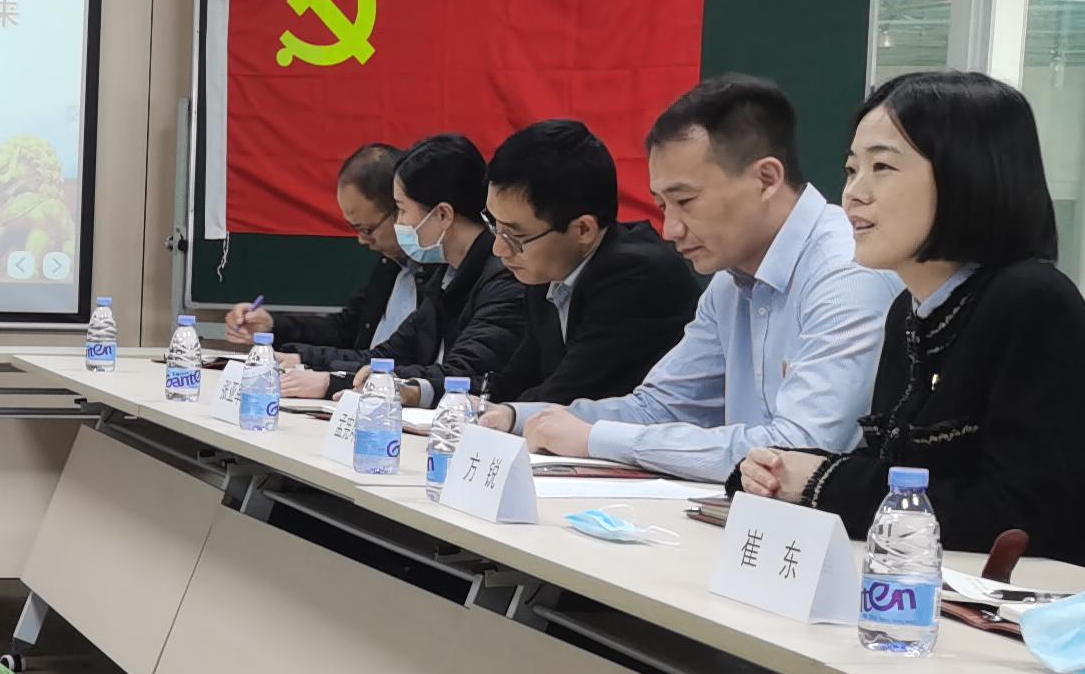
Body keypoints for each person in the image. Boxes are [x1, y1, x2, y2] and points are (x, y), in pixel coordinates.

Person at [734, 72, 1085, 561]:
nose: (854, 194)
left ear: (966, 175)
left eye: (882, 167)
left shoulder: (1034, 302)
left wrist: (824, 480)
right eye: (851, 169)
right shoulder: (908, 309)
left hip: (1036, 597)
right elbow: (893, 466)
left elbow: (1020, 514)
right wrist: (779, 471)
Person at [488, 76, 893, 480]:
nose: (670, 229)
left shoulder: (847, 270)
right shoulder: (730, 280)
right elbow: (660, 406)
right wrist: (518, 418)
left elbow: (799, 450)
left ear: (766, 179)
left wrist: (597, 438)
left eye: (685, 201)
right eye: (663, 205)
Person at [285, 134, 530, 406]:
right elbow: (388, 356)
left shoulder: (504, 280)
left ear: (443, 215)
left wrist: (335, 381)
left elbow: (461, 375)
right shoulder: (445, 278)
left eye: (401, 210)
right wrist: (307, 362)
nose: (399, 223)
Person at [475, 118, 700, 405]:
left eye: (515, 235)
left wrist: (496, 413)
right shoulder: (550, 269)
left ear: (583, 230)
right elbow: (513, 382)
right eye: (494, 225)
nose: (499, 249)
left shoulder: (638, 278)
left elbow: (565, 398)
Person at [225, 143, 422, 358]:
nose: (361, 240)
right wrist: (272, 326)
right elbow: (345, 330)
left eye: (367, 229)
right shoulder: (390, 266)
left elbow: (393, 361)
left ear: (401, 211)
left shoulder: (438, 280)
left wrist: (308, 359)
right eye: (355, 228)